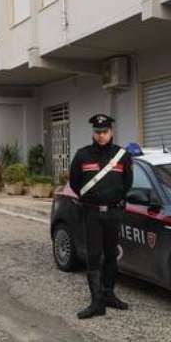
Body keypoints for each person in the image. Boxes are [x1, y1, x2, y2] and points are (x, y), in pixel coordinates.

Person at [68, 114, 133, 319]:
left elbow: (128, 183)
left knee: (112, 255)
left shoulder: (122, 155)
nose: (101, 136)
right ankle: (96, 303)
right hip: (92, 214)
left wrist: (114, 199)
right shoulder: (82, 155)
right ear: (93, 133)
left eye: (105, 132)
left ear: (111, 132)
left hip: (113, 213)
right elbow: (74, 183)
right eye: (98, 132)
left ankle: (108, 295)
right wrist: (93, 199)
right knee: (94, 256)